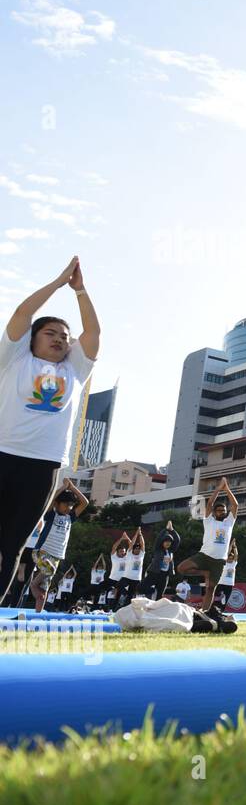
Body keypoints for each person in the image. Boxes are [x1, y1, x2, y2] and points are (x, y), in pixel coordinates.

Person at [0, 256, 100, 607]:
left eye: (64, 336)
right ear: (33, 339)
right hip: (3, 454)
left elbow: (92, 334)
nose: (60, 338)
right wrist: (58, 283)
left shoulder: (74, 370)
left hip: (43, 466)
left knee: (11, 546)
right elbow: (22, 314)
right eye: (51, 333)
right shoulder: (15, 357)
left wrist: (81, 291)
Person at [176, 477, 240, 615]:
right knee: (181, 568)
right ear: (214, 513)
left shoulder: (229, 523)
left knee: (211, 588)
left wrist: (227, 489)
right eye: (219, 510)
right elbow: (210, 503)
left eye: (223, 510)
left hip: (218, 561)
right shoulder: (209, 521)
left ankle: (203, 612)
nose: (221, 512)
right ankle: (204, 572)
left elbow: (235, 506)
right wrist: (219, 488)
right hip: (204, 556)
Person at [25, 478, 89, 609]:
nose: (69, 507)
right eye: (65, 504)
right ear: (57, 504)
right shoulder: (51, 515)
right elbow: (50, 500)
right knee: (49, 570)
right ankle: (32, 584)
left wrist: (72, 487)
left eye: (71, 505)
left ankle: (38, 613)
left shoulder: (70, 518)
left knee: (44, 590)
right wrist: (62, 488)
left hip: (56, 557)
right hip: (41, 552)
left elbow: (85, 502)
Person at [146, 520, 181, 600]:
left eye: (169, 542)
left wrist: (172, 530)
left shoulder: (170, 551)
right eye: (166, 541)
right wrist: (166, 529)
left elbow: (177, 540)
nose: (168, 543)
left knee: (160, 594)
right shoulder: (158, 549)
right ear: (162, 542)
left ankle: (156, 610)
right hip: (155, 572)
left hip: (165, 575)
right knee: (149, 591)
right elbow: (158, 538)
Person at [121, 528, 147, 604]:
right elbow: (132, 543)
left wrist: (140, 534)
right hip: (127, 577)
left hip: (136, 578)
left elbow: (143, 544)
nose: (138, 550)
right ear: (133, 549)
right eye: (136, 549)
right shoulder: (129, 554)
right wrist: (136, 534)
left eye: (139, 549)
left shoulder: (141, 555)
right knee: (119, 586)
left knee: (131, 596)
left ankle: (126, 607)